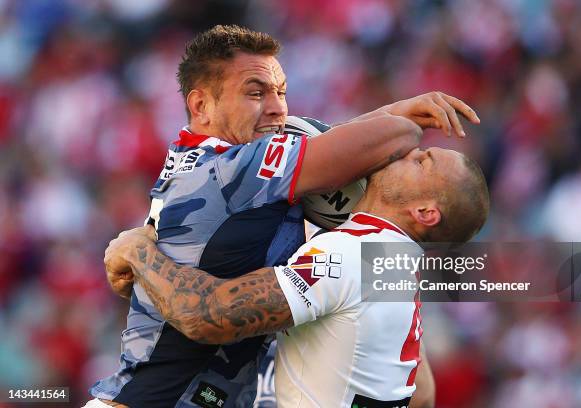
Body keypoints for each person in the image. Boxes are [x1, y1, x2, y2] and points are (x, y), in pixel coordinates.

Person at [89, 24, 478, 408]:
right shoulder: (231, 169)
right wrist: (402, 118)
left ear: (426, 213)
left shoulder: (364, 250)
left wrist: (137, 253)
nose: (277, 108)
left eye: (281, 93)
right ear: (201, 106)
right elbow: (389, 139)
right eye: (255, 93)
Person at [103, 145, 490, 407]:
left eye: (423, 161)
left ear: (425, 212)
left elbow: (209, 316)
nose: (409, 151)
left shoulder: (352, 253)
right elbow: (423, 393)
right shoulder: (392, 261)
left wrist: (138, 252)